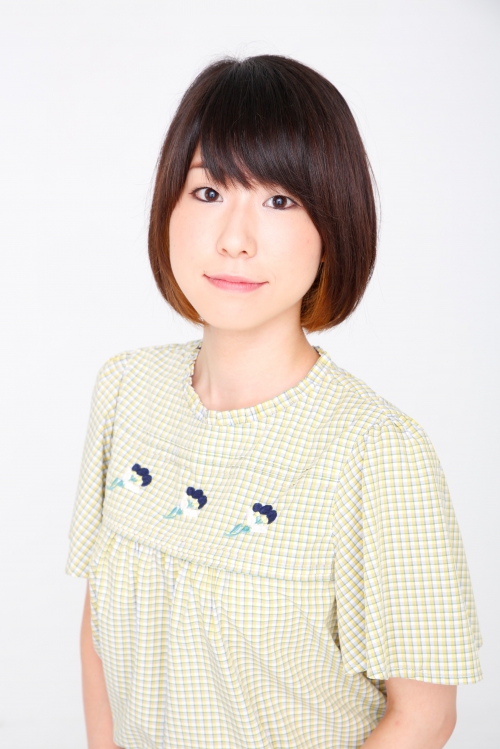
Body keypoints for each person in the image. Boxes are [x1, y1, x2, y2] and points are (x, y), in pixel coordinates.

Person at [66, 55, 483, 749]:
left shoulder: (378, 450)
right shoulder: (125, 390)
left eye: (280, 200)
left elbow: (424, 717)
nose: (235, 238)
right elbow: (100, 621)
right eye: (208, 192)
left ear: (332, 227)